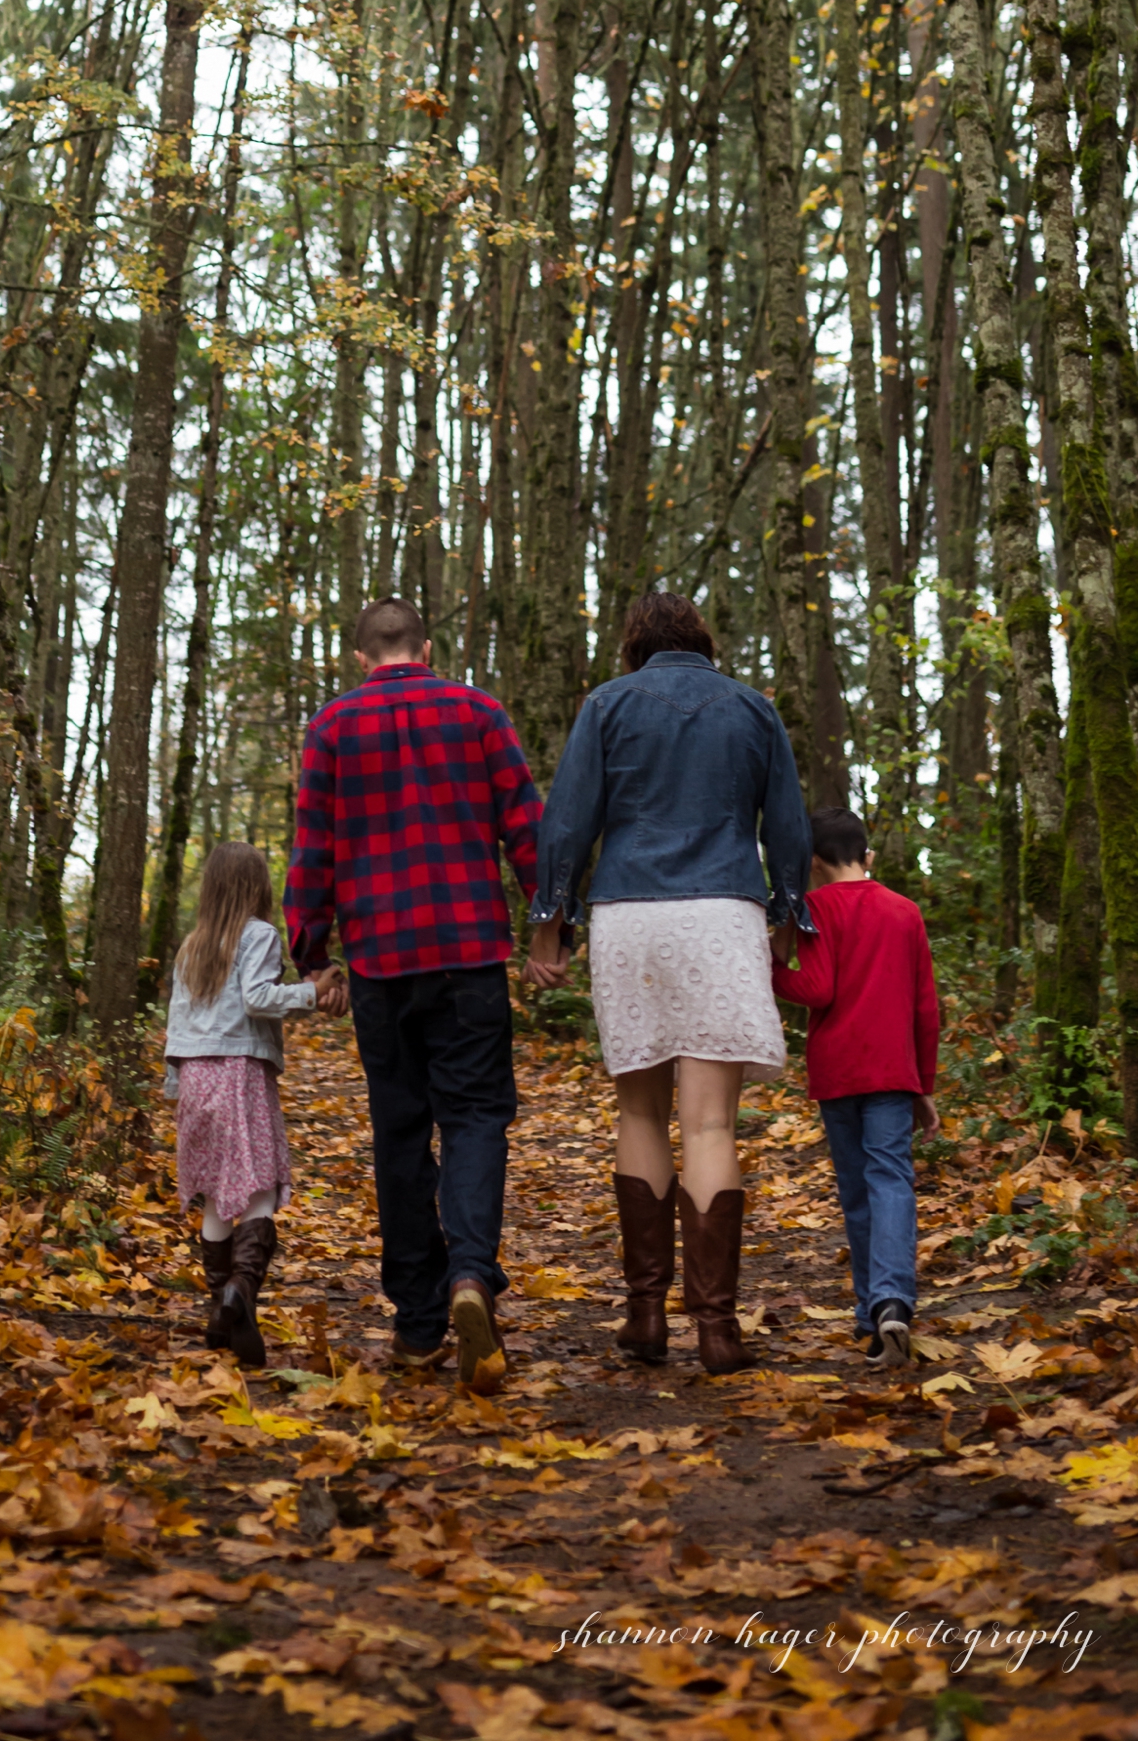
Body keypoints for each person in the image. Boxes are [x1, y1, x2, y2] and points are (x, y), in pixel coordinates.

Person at [525, 591, 811, 1375]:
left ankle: (646, 1317)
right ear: (703, 640)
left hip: (630, 913)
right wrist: (791, 914)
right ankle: (717, 1329)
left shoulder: (609, 705)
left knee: (640, 1110)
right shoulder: (752, 710)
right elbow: (787, 822)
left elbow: (569, 819)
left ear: (634, 645)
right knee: (711, 1125)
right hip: (722, 910)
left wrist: (550, 922)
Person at [286, 597, 542, 1394]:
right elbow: (527, 824)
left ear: (362, 657)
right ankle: (470, 1274)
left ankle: (418, 1324)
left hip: (382, 965)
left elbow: (311, 850)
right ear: (425, 648)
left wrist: (313, 953)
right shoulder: (478, 711)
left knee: (399, 1133)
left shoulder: (331, 727)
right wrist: (549, 925)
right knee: (473, 1117)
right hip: (468, 955)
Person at [769, 803, 940, 1369]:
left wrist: (770, 964)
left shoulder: (814, 908)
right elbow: (925, 1008)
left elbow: (816, 990)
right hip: (894, 1071)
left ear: (813, 862)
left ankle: (872, 1313)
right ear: (868, 855)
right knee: (892, 1179)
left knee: (857, 1191)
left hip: (839, 1070)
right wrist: (925, 1084)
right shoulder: (905, 911)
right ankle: (893, 1301)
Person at [165, 840, 339, 1368]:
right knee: (259, 1186)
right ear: (257, 886)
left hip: (196, 1077)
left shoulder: (192, 944)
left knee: (217, 1194)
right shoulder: (259, 934)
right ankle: (240, 1291)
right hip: (239, 1072)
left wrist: (175, 1091)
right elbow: (258, 997)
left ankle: (220, 1317)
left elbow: (176, 1023)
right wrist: (310, 993)